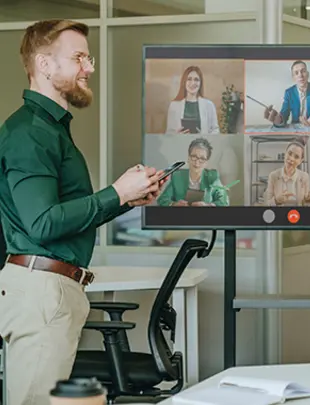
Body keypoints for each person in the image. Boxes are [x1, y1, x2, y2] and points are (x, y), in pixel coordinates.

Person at [0, 19, 166, 405]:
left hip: (51, 290)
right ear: (44, 65)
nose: (89, 68)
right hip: (42, 291)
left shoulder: (52, 130)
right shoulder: (31, 133)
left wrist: (125, 199)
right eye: (78, 58)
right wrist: (115, 192)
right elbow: (42, 224)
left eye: (88, 58)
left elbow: (63, 217)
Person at [157, 137, 230, 207]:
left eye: (202, 158)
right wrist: (174, 204)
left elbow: (224, 201)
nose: (197, 162)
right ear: (188, 158)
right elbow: (162, 200)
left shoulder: (212, 177)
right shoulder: (177, 176)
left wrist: (207, 205)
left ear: (206, 163)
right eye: (194, 156)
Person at [263, 60, 310, 129]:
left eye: (303, 71)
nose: (300, 75)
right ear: (293, 77)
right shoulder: (289, 93)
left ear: (308, 74)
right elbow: (284, 115)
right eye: (296, 73)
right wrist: (278, 120)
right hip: (296, 130)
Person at [263, 137, 310, 206]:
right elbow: (267, 204)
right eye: (289, 153)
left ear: (300, 161)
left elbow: (305, 204)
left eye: (296, 157)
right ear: (285, 153)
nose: (291, 158)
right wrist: (276, 201)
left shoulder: (305, 177)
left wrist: (308, 199)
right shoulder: (273, 176)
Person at [166, 65, 220, 134]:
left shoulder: (209, 105)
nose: (193, 83)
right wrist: (177, 135)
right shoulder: (174, 105)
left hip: (201, 143)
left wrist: (203, 136)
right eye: (189, 79)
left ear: (200, 83)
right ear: (184, 82)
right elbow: (169, 133)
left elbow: (215, 131)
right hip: (180, 143)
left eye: (196, 80)